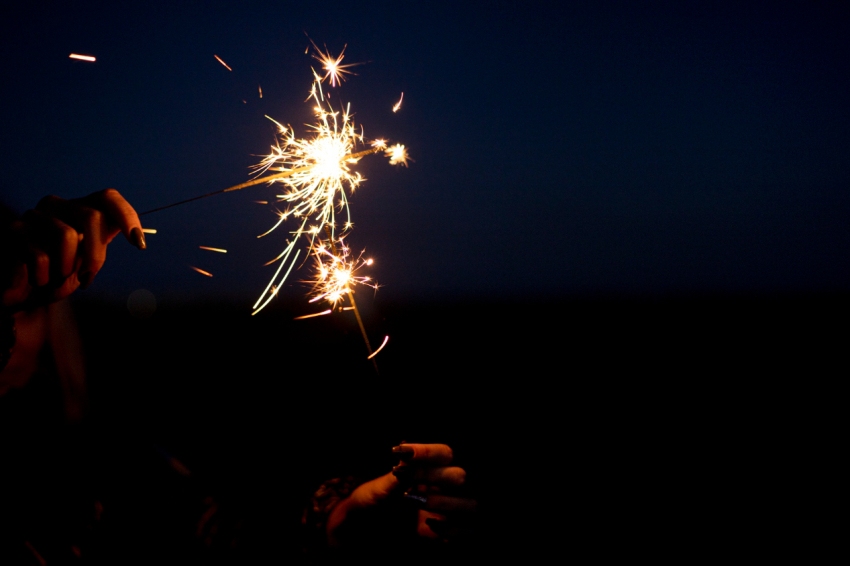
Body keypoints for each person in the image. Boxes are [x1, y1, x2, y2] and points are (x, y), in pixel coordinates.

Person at [1, 189, 476, 562]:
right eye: (4, 305)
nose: (9, 333)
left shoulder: (105, 459)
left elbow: (220, 535)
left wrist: (339, 524)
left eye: (24, 311)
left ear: (54, 325)